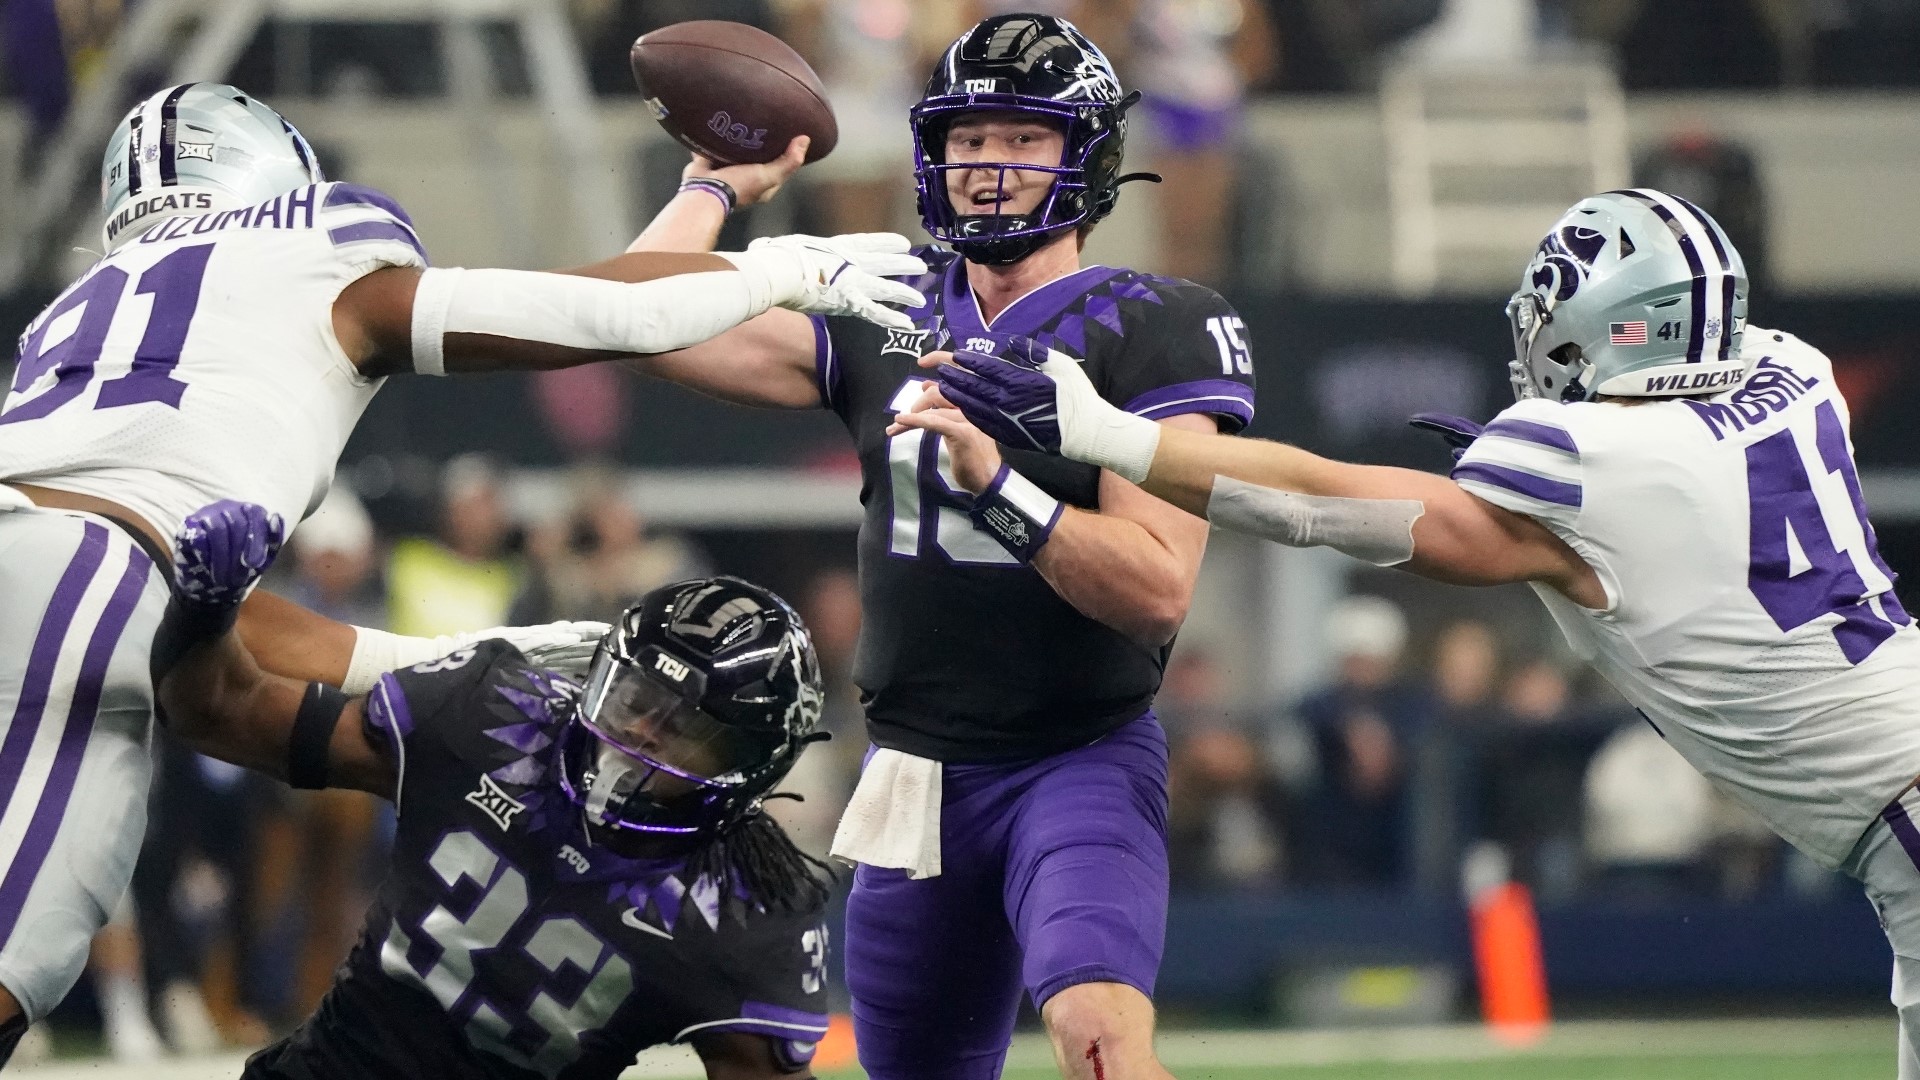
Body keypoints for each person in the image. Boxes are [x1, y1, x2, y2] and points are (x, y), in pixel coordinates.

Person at [899, 187, 1920, 1076]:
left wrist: (1103, 434)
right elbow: (1775, 390)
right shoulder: (1794, 376)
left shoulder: (1594, 459)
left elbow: (1331, 503)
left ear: (1613, 327)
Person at [0, 80, 922, 1056]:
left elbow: (195, 613)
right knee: (20, 956)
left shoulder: (87, 321)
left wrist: (497, 648)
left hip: (79, 583)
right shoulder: (318, 242)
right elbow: (596, 313)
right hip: (81, 587)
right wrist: (773, 269)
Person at [624, 14, 1257, 1079]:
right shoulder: (889, 300)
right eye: (971, 138)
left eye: (1023, 139)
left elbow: (1155, 589)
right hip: (915, 771)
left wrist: (1001, 490)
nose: (989, 167)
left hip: (1076, 757)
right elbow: (630, 316)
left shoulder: (1159, 326)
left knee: (1096, 1028)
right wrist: (718, 187)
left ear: (1087, 158)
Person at [152, 501, 834, 1079]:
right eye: (637, 697)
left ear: (749, 767)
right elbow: (222, 714)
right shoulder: (499, 716)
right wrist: (201, 610)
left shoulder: (746, 911)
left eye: (689, 728)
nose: (644, 733)